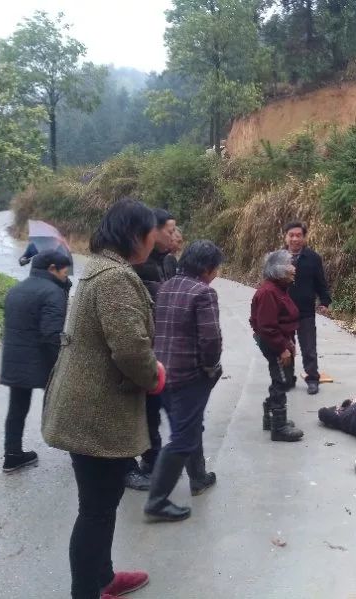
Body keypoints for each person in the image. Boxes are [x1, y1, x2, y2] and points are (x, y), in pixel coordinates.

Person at [41, 198, 163, 599]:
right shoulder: (115, 278)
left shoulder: (104, 269)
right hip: (94, 415)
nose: (156, 237)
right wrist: (154, 375)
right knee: (95, 510)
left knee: (103, 502)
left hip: (90, 411)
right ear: (136, 236)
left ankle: (104, 578)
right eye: (152, 231)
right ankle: (87, 591)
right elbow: (129, 349)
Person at [144, 240, 225, 522]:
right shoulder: (203, 293)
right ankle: (157, 500)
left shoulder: (166, 287)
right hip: (189, 376)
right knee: (183, 437)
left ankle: (199, 477)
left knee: (190, 425)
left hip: (161, 373)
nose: (216, 274)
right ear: (206, 268)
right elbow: (211, 339)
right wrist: (210, 367)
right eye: (215, 268)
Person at [0, 250, 72, 473]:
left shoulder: (16, 289)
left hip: (15, 360)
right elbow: (51, 334)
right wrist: (60, 365)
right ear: (52, 269)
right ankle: (79, 451)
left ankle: (12, 455)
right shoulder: (52, 292)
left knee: (17, 408)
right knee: (62, 402)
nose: (66, 276)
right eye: (65, 272)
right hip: (41, 360)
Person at [126, 208, 178, 490]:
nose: (174, 236)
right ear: (152, 232)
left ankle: (154, 457)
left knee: (154, 407)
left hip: (161, 347)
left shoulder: (165, 261)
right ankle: (143, 460)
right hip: (144, 348)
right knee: (144, 408)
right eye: (169, 230)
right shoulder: (135, 268)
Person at [250, 250, 304, 442]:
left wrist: (288, 342)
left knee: (284, 378)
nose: (294, 269)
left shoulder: (279, 289)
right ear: (279, 269)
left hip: (280, 339)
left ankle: (271, 417)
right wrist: (282, 347)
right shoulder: (269, 292)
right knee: (281, 379)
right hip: (274, 342)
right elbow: (267, 326)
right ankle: (278, 426)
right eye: (290, 264)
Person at [283, 221, 332, 395]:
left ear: (304, 237)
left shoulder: (313, 258)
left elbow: (321, 282)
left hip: (305, 311)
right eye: (292, 235)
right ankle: (288, 379)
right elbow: (269, 284)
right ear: (286, 237)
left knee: (309, 347)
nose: (295, 238)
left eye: (299, 235)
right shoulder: (278, 258)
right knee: (286, 348)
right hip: (283, 312)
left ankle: (312, 379)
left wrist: (324, 301)